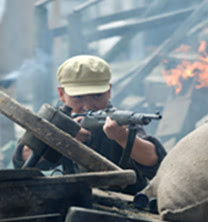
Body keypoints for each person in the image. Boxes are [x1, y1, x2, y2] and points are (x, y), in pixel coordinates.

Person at [13, 55, 166, 194]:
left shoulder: (118, 120)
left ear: (109, 91)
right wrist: (62, 139)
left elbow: (154, 161)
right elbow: (21, 160)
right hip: (75, 200)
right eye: (78, 98)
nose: (87, 105)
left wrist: (122, 137)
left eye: (97, 96)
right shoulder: (57, 119)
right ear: (61, 94)